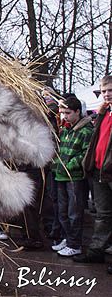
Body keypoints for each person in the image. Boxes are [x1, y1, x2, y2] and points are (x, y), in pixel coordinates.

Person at [74, 75, 112, 275]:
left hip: (110, 170)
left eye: (110, 90)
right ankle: (96, 250)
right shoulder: (104, 113)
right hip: (99, 170)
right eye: (104, 91)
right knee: (103, 213)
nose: (106, 94)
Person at [50, 96, 93, 256]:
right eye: (62, 113)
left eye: (67, 113)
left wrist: (69, 165)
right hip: (60, 176)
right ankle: (68, 239)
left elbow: (86, 153)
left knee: (74, 213)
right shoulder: (66, 129)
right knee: (62, 212)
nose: (64, 116)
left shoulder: (86, 130)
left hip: (74, 177)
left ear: (77, 111)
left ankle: (75, 244)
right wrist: (56, 163)